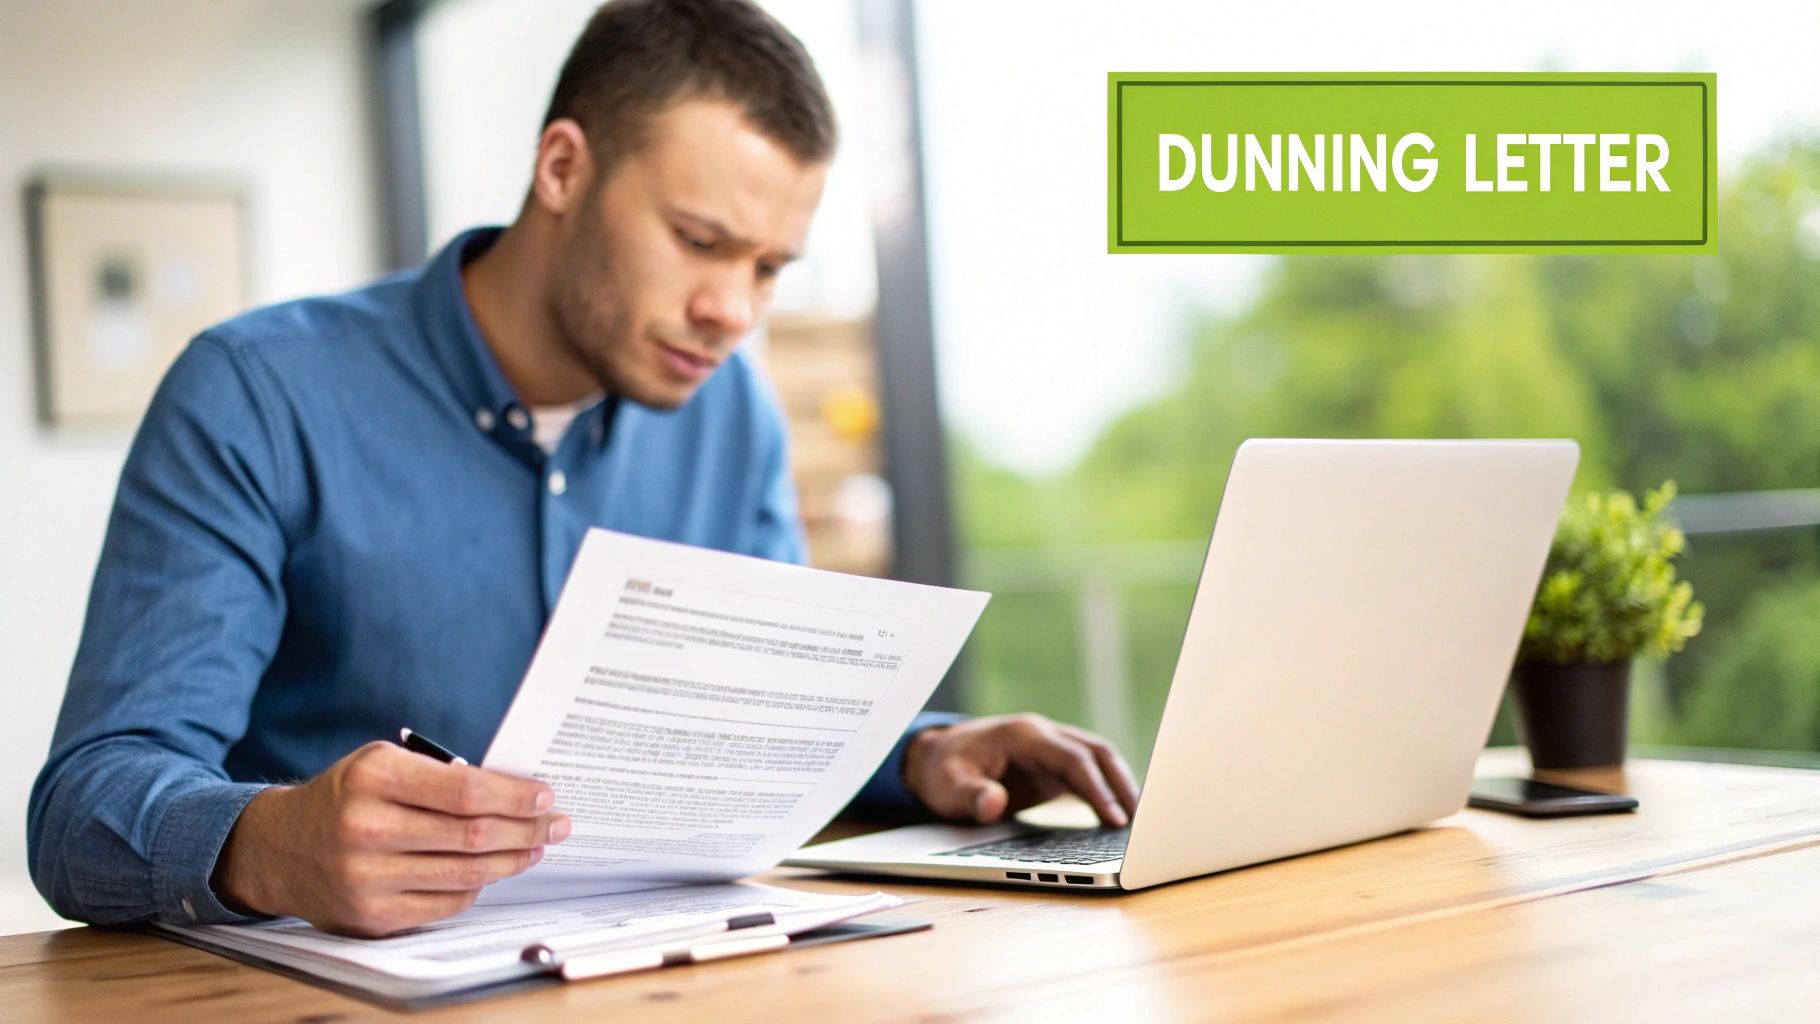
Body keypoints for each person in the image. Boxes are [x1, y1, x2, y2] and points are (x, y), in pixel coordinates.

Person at [27, 0, 1139, 939]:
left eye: (767, 266)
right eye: (699, 242)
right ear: (562, 166)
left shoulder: (727, 411)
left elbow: (754, 730)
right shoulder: (256, 393)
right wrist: (266, 845)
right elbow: (82, 810)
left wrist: (927, 753)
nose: (734, 312)